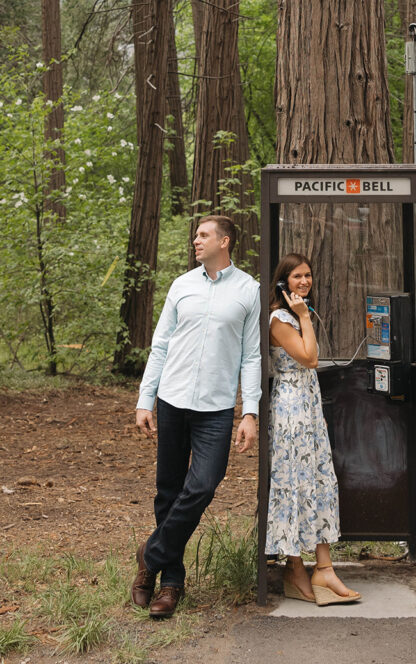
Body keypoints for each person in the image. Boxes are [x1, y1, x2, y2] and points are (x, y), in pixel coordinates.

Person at [132, 215, 261, 619]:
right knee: (168, 490)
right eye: (196, 235)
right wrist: (145, 398)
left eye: (203, 235)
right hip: (172, 400)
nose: (195, 240)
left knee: (204, 484)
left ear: (225, 241)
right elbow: (160, 345)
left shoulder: (249, 290)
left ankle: (149, 554)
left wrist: (250, 411)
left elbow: (252, 355)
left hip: (217, 408)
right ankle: (171, 582)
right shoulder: (181, 286)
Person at [266, 253, 361, 605]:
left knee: (318, 480)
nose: (304, 282)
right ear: (283, 282)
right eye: (296, 277)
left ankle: (324, 567)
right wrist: (305, 316)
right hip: (291, 409)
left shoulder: (295, 316)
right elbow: (309, 358)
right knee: (294, 482)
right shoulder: (280, 319)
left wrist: (303, 316)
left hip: (308, 406)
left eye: (307, 276)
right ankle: (295, 566)